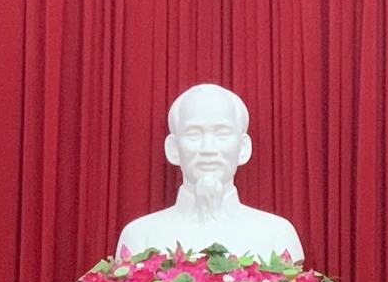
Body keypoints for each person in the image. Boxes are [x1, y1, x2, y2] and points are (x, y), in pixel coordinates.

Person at [115, 83, 304, 261]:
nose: (208, 148)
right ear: (173, 149)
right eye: (193, 134)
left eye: (222, 134)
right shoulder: (140, 237)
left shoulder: (277, 235)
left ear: (244, 148)